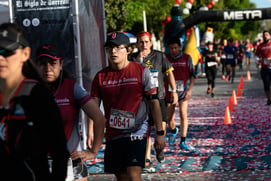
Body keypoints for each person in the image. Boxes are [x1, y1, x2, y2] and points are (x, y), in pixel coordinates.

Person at [80, 32, 165, 180]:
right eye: (109, 48)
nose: (113, 52)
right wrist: (91, 132)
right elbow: (92, 108)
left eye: (118, 48)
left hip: (137, 131)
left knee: (133, 174)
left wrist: (160, 133)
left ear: (128, 50)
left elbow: (154, 103)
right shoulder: (100, 77)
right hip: (114, 134)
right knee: (121, 176)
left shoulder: (141, 72)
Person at [0, 22, 69, 181]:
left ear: (25, 54)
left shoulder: (37, 95)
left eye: (7, 51)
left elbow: (59, 151)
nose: (0, 58)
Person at [34, 45, 106, 180]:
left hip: (72, 158)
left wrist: (93, 151)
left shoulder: (72, 88)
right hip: (40, 160)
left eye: (52, 63)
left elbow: (99, 118)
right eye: (42, 64)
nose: (48, 69)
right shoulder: (30, 90)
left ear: (61, 64)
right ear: (36, 66)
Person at [129, 31, 178, 170]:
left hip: (159, 97)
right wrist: (138, 60)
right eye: (141, 42)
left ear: (151, 43)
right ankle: (147, 158)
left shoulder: (160, 56)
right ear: (137, 44)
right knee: (145, 130)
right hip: (141, 100)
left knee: (159, 129)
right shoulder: (132, 58)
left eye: (146, 42)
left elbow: (169, 73)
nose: (144, 45)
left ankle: (159, 149)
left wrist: (174, 91)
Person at [164, 37, 196, 150]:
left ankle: (183, 141)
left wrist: (190, 90)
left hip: (183, 92)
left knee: (183, 114)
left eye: (176, 48)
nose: (174, 50)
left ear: (180, 47)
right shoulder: (165, 59)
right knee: (169, 118)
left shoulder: (187, 58)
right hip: (170, 93)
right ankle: (174, 130)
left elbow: (193, 75)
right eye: (171, 48)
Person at [255, 30, 271, 106]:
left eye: (267, 35)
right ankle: (269, 99)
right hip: (264, 68)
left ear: (270, 36)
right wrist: (258, 60)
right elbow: (256, 55)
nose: (265, 36)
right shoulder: (260, 46)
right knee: (266, 85)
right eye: (264, 35)